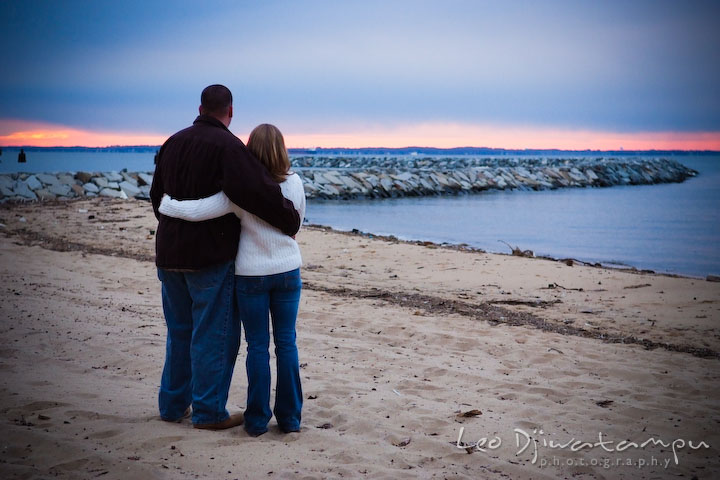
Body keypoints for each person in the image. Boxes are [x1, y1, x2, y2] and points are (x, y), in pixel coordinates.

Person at [150, 86, 301, 430]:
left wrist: (172, 231)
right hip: (209, 256)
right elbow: (255, 192)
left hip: (169, 254)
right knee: (213, 335)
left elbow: (156, 195)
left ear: (200, 108)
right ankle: (208, 411)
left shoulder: (172, 142)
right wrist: (290, 220)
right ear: (230, 111)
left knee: (179, 331)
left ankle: (172, 405)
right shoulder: (228, 146)